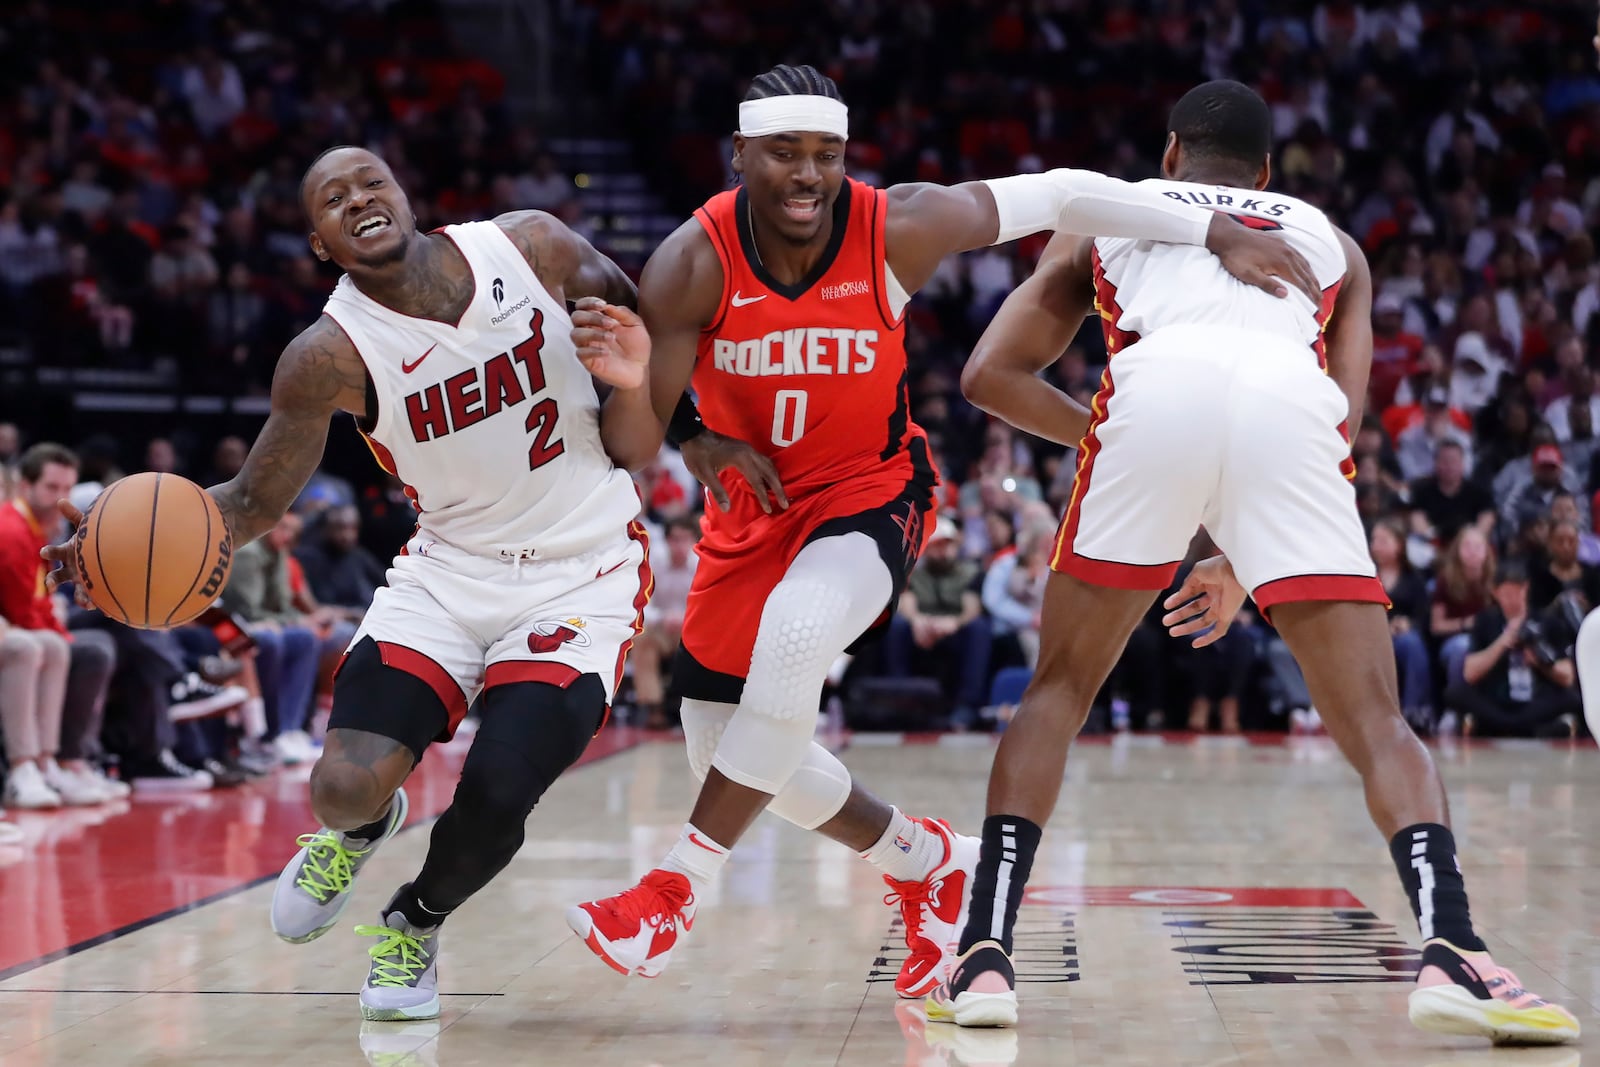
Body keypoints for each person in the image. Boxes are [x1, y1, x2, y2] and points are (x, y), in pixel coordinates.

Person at [566, 63, 1318, 994]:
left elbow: (1064, 192)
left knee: (800, 639)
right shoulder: (691, 260)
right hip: (753, 516)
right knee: (724, 748)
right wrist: (657, 401)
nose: (807, 175)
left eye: (827, 155)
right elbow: (632, 447)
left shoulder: (899, 226)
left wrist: (1213, 228)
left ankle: (674, 888)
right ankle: (926, 861)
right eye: (784, 154)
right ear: (740, 156)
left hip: (871, 491)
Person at [931, 81, 1578, 1045]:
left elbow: (988, 375)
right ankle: (1454, 945)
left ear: (1171, 154)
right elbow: (1343, 419)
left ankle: (984, 950)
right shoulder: (1335, 242)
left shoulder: (1115, 213)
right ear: (1270, 174)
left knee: (1058, 691)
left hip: (1154, 389)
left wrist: (1108, 439)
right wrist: (1235, 547)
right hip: (1291, 404)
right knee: (1376, 719)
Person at [44, 146, 650, 1021]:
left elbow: (648, 322)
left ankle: (414, 921)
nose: (359, 199)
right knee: (340, 786)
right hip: (447, 572)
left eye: (372, 183)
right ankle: (361, 831)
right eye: (333, 199)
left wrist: (686, 417)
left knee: (498, 790)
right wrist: (106, 536)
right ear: (321, 243)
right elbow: (250, 501)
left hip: (581, 574)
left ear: (405, 196)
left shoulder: (533, 246)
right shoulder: (327, 354)